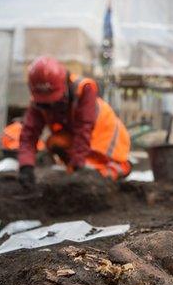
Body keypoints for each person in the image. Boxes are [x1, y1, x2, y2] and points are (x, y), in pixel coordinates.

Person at [18, 56, 131, 189]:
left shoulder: (84, 89)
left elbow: (84, 128)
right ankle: (81, 168)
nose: (50, 105)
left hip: (106, 137)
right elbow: (29, 134)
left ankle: (118, 168)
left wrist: (78, 166)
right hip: (81, 139)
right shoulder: (39, 101)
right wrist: (26, 166)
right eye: (45, 103)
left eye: (53, 100)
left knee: (97, 176)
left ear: (63, 84)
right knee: (54, 142)